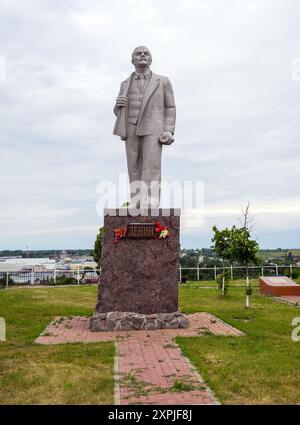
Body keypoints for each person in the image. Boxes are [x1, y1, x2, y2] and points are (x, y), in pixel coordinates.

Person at [113, 46, 176, 209]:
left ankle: (151, 200)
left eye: (146, 53)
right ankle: (136, 200)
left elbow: (170, 107)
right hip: (130, 127)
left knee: (151, 164)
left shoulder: (163, 81)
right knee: (133, 165)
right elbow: (119, 111)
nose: (142, 55)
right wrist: (117, 106)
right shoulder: (125, 83)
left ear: (151, 59)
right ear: (132, 60)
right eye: (138, 54)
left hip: (153, 128)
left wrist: (168, 130)